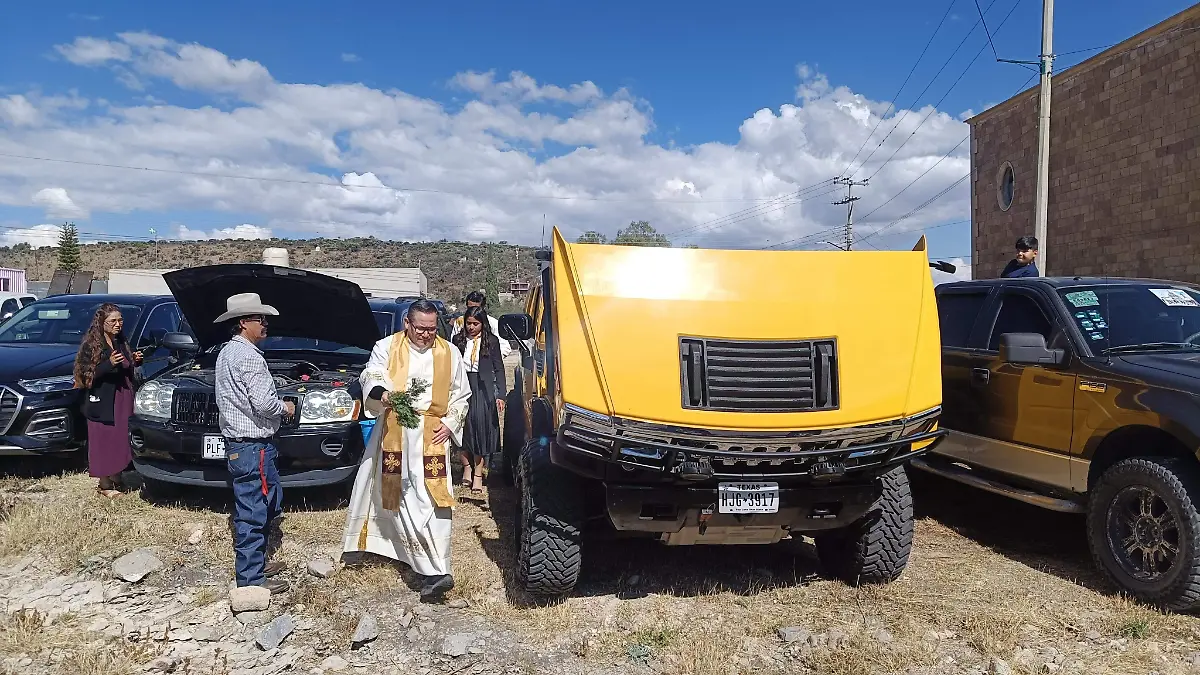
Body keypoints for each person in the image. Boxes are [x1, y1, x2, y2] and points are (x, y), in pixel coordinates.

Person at [342, 299, 471, 601]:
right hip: (395, 431)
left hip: (432, 437)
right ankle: (375, 544)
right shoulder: (386, 347)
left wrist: (451, 424)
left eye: (432, 328)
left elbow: (461, 395)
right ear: (407, 325)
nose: (427, 335)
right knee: (389, 492)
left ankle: (437, 567)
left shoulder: (449, 352)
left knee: (431, 500)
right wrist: (383, 395)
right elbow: (371, 375)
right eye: (421, 329)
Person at [214, 293, 296, 595]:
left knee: (267, 500)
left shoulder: (227, 353)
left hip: (245, 445)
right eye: (259, 318)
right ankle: (250, 579)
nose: (265, 323)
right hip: (252, 445)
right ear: (242, 322)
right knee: (253, 510)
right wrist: (285, 408)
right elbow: (263, 404)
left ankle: (256, 564)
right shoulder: (249, 356)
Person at [74, 303, 143, 497]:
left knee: (120, 438)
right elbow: (84, 375)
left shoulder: (121, 341)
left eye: (120, 320)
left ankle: (116, 476)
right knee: (103, 439)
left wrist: (135, 360)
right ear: (102, 323)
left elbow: (126, 367)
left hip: (122, 397)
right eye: (113, 320)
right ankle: (104, 484)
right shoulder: (91, 345)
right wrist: (108, 364)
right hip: (102, 399)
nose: (118, 324)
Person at [450, 306, 506, 493]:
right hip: (462, 387)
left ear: (483, 324)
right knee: (462, 427)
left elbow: (498, 369)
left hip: (483, 389)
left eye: (476, 324)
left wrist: (501, 394)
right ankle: (466, 467)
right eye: (468, 323)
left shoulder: (491, 341)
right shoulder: (457, 341)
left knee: (480, 429)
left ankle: (478, 475)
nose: (472, 327)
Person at [451, 291, 512, 359]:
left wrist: (488, 360)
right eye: (470, 308)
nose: (473, 311)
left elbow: (505, 348)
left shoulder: (493, 323)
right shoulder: (460, 322)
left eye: (476, 309)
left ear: (483, 308)